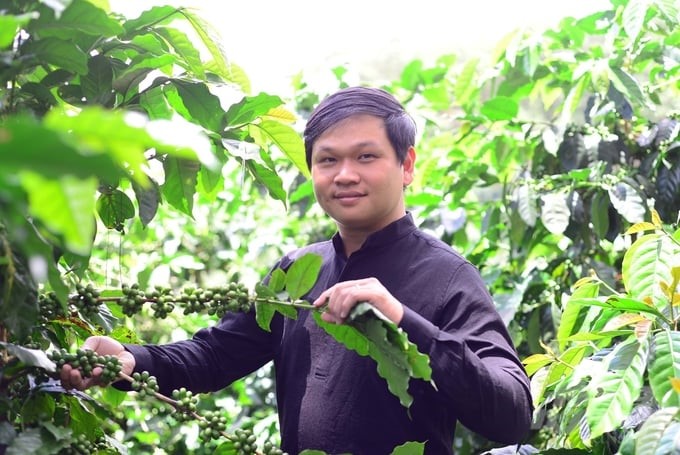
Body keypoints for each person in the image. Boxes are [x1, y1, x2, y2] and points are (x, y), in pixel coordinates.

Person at [60, 86, 533, 454]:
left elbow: (511, 413)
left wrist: (404, 319)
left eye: (366, 156)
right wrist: (129, 360)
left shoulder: (448, 277)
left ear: (406, 165)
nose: (344, 174)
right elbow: (214, 357)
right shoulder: (299, 270)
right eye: (328, 160)